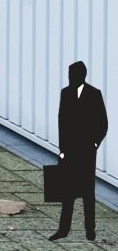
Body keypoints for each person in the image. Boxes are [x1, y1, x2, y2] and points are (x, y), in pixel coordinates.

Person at [53, 61, 108, 241]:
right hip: (69, 151)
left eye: (73, 75)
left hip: (86, 152)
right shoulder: (66, 93)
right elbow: (62, 122)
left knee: (87, 193)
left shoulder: (94, 94)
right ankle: (63, 229)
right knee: (67, 193)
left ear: (81, 76)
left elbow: (103, 122)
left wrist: (94, 144)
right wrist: (62, 150)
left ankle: (90, 231)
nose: (70, 78)